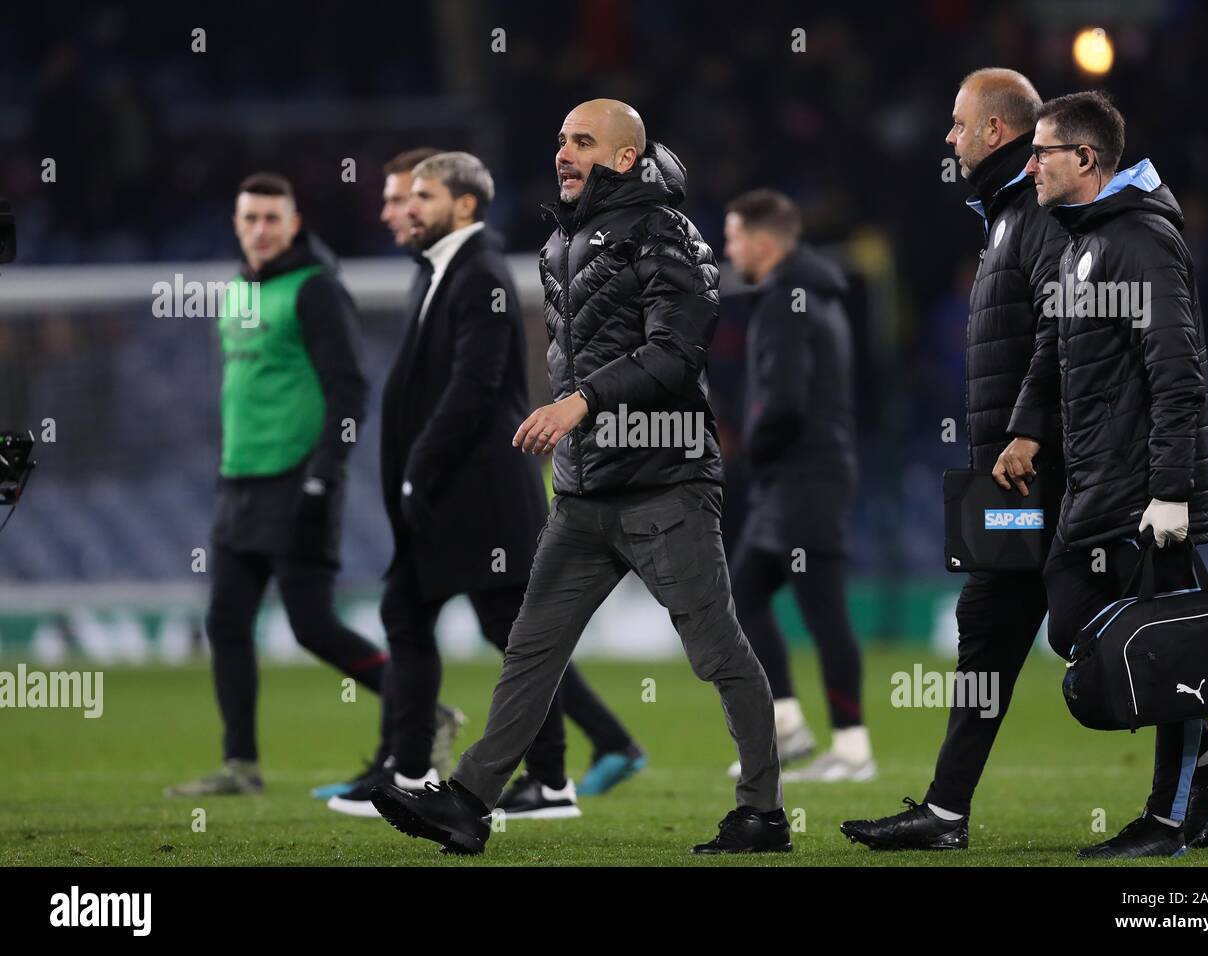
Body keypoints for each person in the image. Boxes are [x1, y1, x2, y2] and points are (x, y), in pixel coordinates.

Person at [369, 99, 789, 855]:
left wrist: (580, 401)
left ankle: (762, 812)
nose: (563, 152)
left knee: (717, 652)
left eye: (583, 142)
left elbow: (676, 355)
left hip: (666, 484)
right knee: (531, 648)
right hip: (586, 489)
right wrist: (576, 422)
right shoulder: (563, 240)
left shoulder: (669, 236)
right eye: (561, 139)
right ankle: (469, 802)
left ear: (626, 157)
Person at [326, 151, 642, 819]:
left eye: (422, 198)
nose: (406, 209)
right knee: (416, 617)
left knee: (507, 633)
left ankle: (542, 780)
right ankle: (415, 770)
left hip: (479, 496)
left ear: (464, 205)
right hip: (454, 494)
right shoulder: (443, 273)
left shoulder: (480, 275)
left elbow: (474, 390)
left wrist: (419, 467)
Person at [995, 90, 1208, 858]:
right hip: (1094, 487)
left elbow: (1179, 374)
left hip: (1142, 493)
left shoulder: (1140, 239)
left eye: (1041, 152)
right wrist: (1026, 430)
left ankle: (1168, 823)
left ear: (1084, 159)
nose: (1029, 164)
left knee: (1169, 654)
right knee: (1076, 626)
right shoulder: (1082, 241)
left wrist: (1171, 492)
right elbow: (1053, 348)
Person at [843, 68, 1067, 848]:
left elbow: (1063, 334)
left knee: (1090, 629)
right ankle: (944, 812)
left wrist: (1032, 429)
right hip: (1009, 473)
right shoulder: (1007, 212)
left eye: (959, 123)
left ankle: (1205, 769)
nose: (949, 137)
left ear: (997, 132)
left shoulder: (1037, 214)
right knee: (987, 625)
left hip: (1050, 474)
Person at [168, 173, 385, 797]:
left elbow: (350, 390)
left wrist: (326, 469)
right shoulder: (235, 291)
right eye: (249, 218)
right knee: (226, 622)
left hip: (299, 481)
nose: (260, 229)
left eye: (272, 218)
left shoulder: (316, 289)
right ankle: (241, 765)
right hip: (239, 483)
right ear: (237, 225)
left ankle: (421, 710)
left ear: (293, 225)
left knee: (311, 624)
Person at [721, 188, 873, 782]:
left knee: (823, 611)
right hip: (800, 475)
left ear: (761, 241)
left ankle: (853, 748)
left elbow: (781, 401)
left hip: (803, 476)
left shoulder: (788, 301)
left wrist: (747, 454)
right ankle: (786, 725)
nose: (728, 249)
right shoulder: (814, 296)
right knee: (745, 594)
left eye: (733, 237)